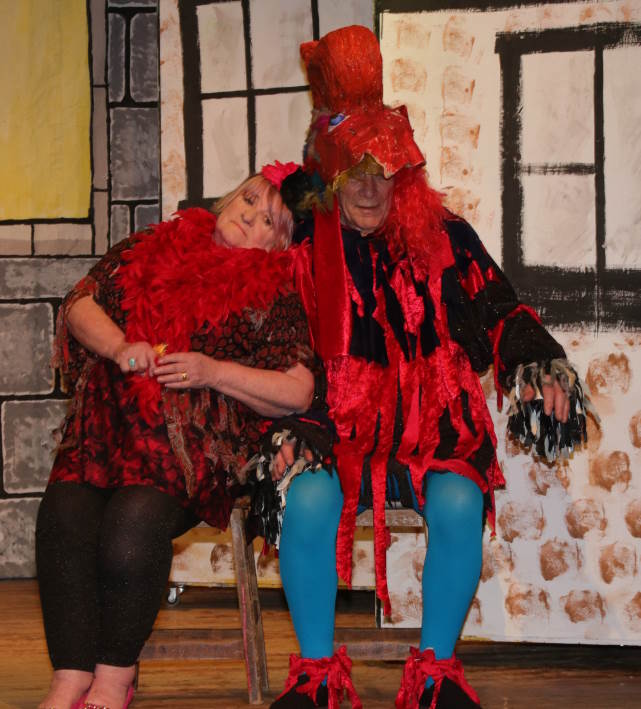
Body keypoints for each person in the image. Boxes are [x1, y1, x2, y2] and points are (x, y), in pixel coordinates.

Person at [254, 26, 592, 709]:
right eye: (354, 171)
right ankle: (317, 678)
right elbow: (256, 324)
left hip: (430, 432)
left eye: (383, 169)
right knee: (309, 501)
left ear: (402, 174)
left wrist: (538, 363)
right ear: (331, 176)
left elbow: (498, 308)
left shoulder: (443, 238)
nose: (369, 187)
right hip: (337, 431)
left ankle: (435, 674)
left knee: (461, 502)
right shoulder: (300, 243)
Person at [35, 161, 329, 709]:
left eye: (269, 220)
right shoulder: (151, 244)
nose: (250, 217)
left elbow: (297, 390)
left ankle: (113, 679)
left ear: (280, 245)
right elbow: (80, 304)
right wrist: (120, 346)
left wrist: (211, 371)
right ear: (227, 199)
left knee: (131, 526)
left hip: (193, 454)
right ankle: (69, 678)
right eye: (247, 200)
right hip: (104, 437)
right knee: (62, 519)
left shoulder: (276, 293)